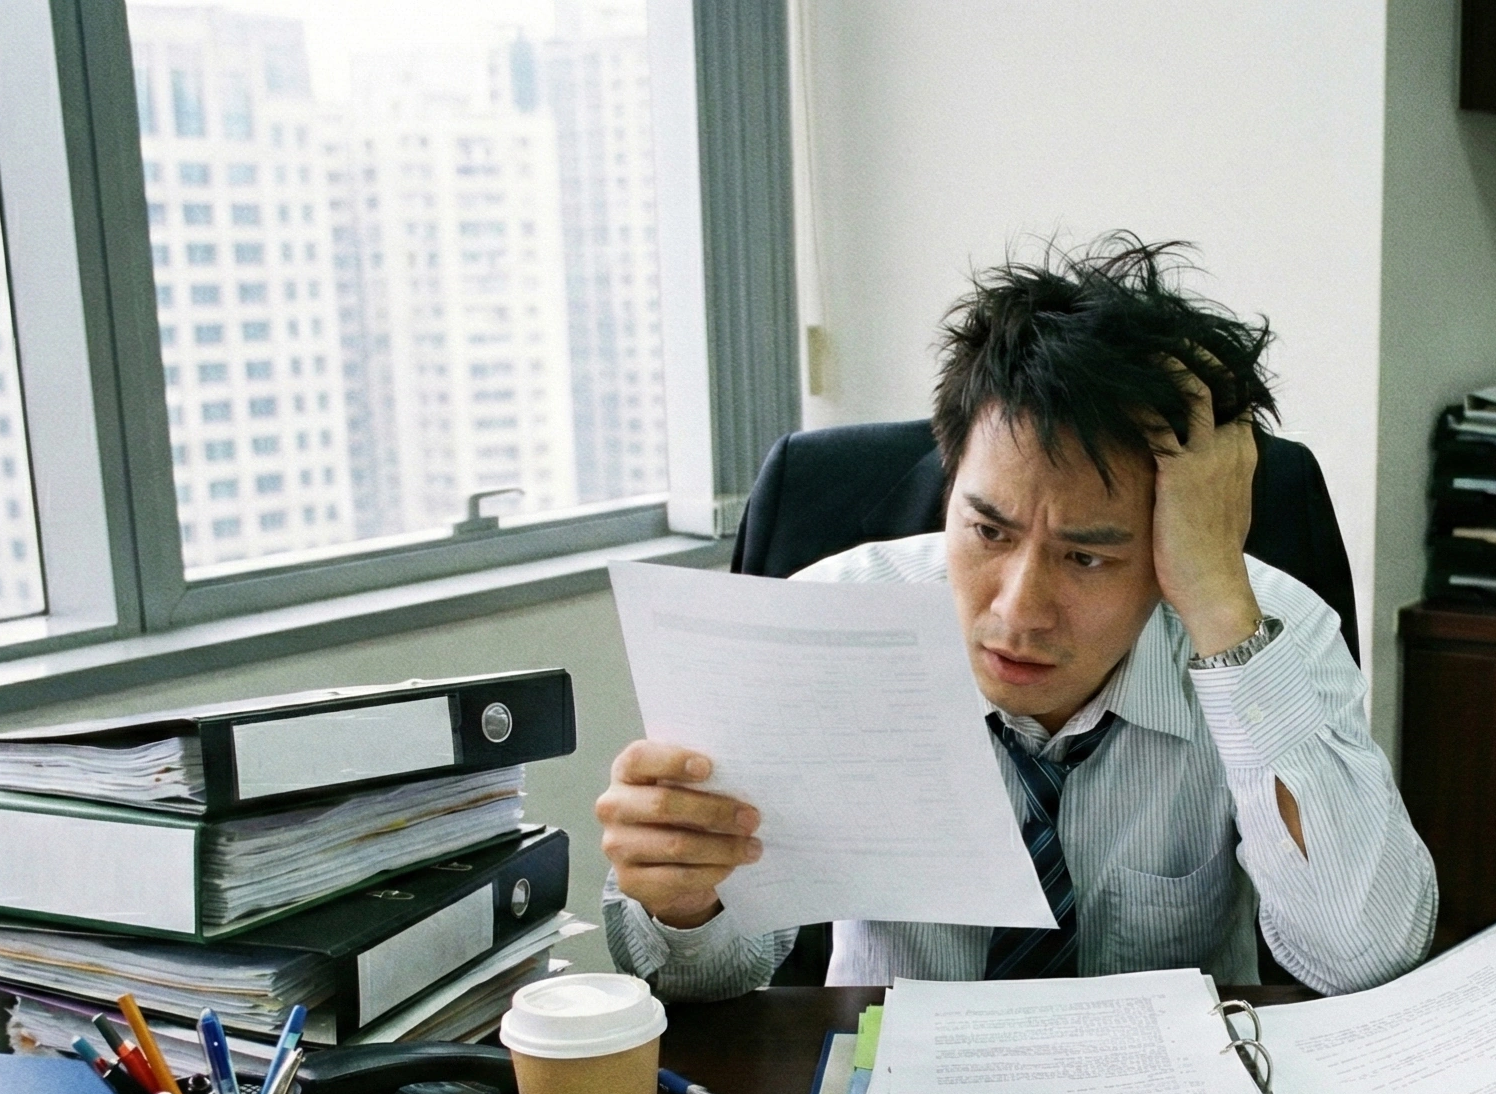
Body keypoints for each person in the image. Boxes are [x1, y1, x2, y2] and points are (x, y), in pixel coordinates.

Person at [599, 236, 1437, 999]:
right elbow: (713, 978)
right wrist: (685, 905)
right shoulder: (829, 621)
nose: (1017, 610)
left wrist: (1217, 599)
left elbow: (1364, 955)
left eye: (1089, 555)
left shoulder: (1270, 631)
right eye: (988, 531)